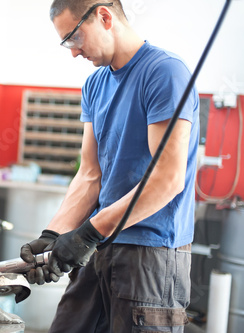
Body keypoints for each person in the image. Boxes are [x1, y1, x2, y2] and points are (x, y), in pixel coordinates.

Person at [19, 1, 199, 332]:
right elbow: (90, 174)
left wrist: (88, 232)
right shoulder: (95, 85)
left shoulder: (165, 73)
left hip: (151, 252)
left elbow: (168, 179)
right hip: (102, 247)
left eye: (74, 38)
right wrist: (53, 234)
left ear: (104, 16)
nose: (73, 53)